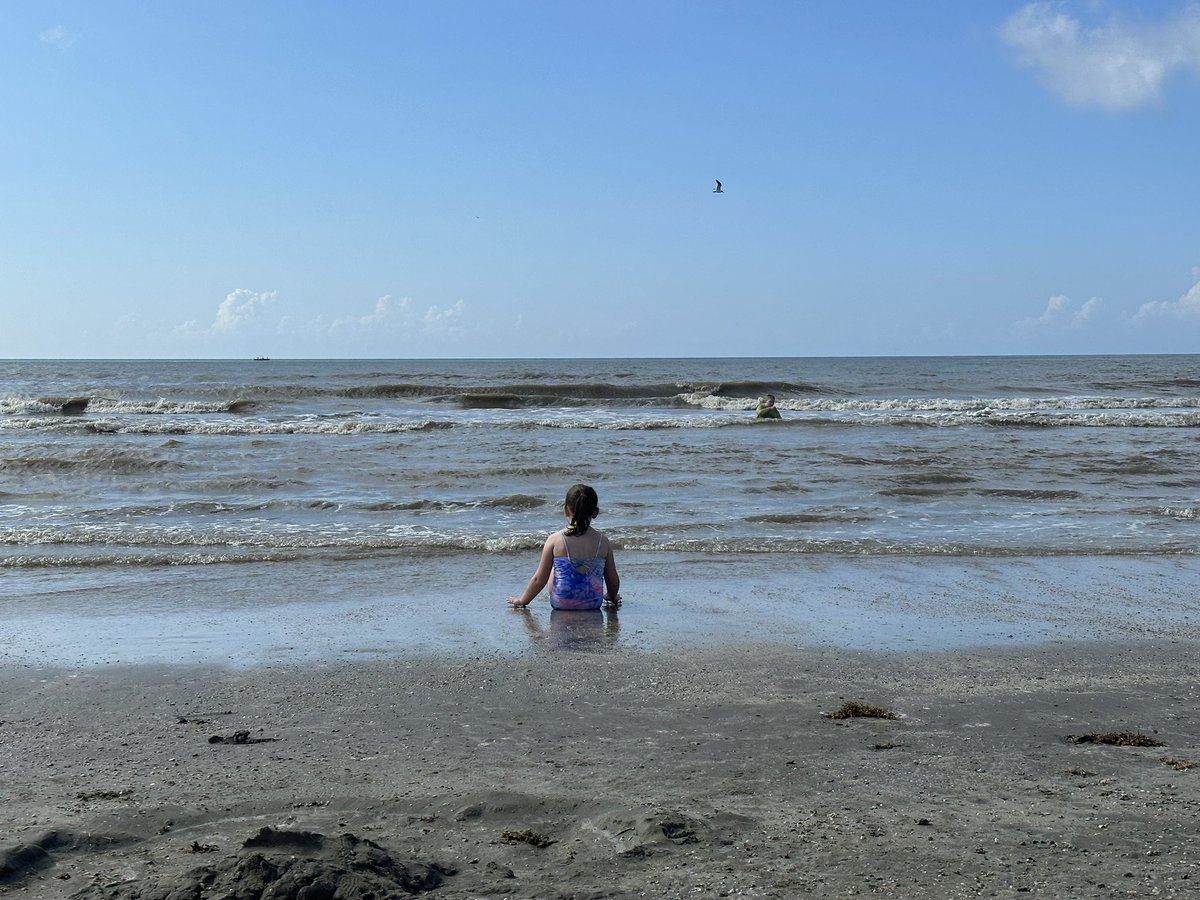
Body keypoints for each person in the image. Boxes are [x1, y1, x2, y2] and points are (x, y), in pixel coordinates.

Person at [508, 484, 620, 610]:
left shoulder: (555, 539)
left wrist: (523, 600)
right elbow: (613, 580)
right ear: (595, 512)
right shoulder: (603, 541)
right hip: (592, 603)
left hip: (561, 602)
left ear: (565, 510)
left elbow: (539, 579)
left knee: (553, 569)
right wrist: (611, 596)